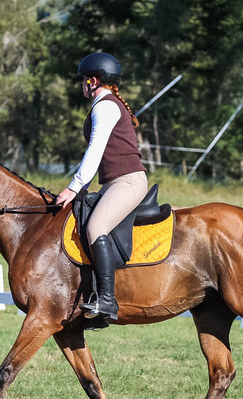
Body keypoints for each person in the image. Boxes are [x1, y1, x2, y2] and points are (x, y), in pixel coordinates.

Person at [55, 52, 149, 322]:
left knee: (96, 227)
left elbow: (94, 152)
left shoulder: (105, 106)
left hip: (127, 182)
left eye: (83, 80)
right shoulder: (106, 104)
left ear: (93, 81)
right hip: (114, 183)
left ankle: (107, 300)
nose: (81, 85)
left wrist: (74, 187)